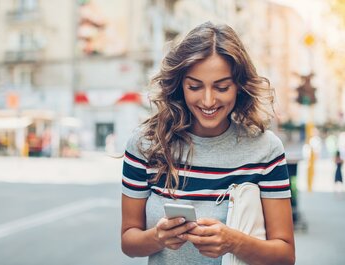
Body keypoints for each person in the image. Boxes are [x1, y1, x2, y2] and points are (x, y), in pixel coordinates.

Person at [121, 22, 295, 265]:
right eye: (194, 86)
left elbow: (285, 255)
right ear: (180, 85)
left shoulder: (266, 149)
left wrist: (233, 242)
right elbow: (129, 242)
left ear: (239, 87)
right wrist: (159, 237)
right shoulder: (145, 145)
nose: (208, 100)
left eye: (222, 87)